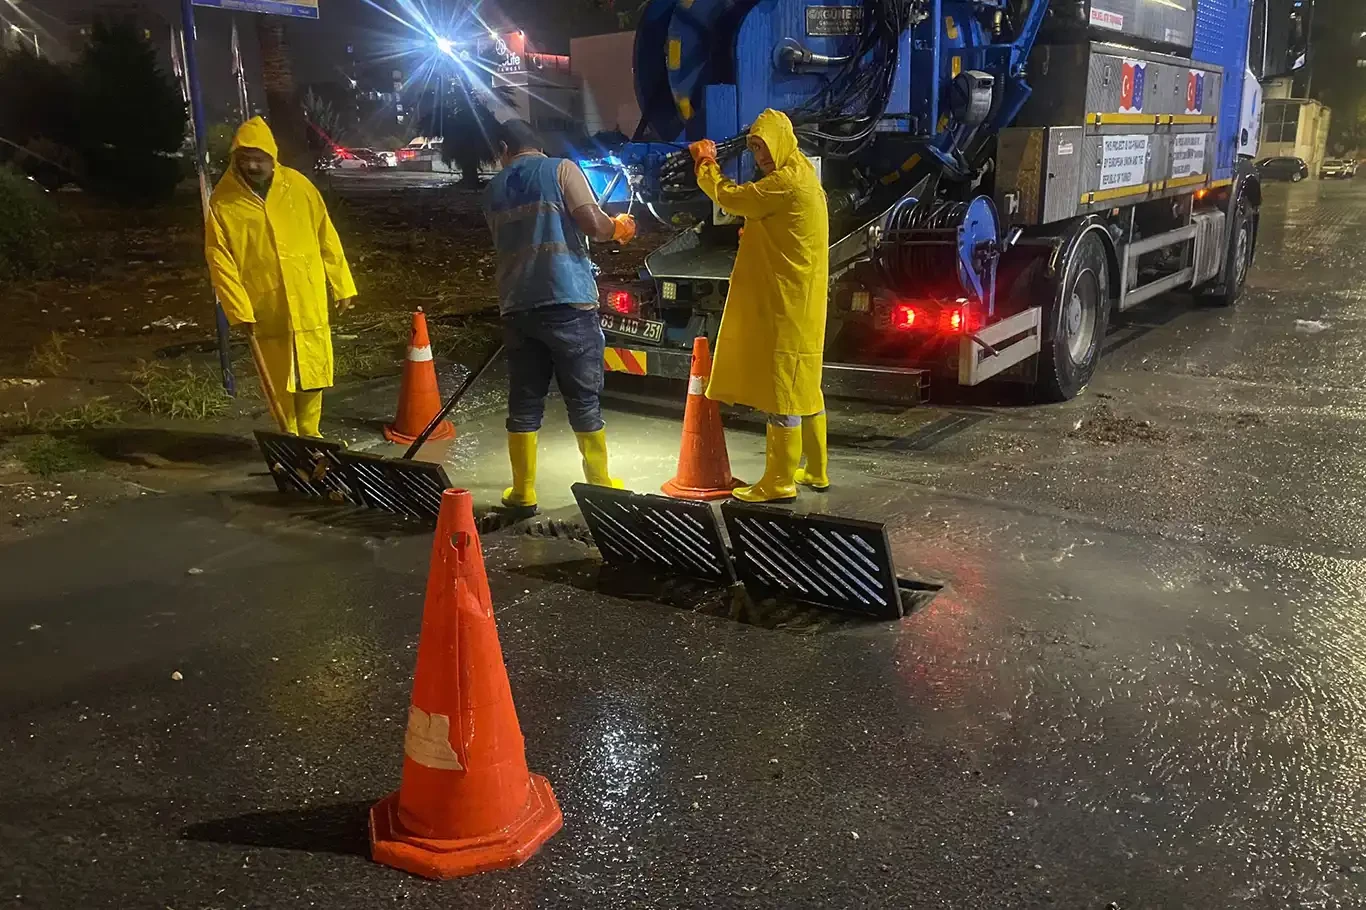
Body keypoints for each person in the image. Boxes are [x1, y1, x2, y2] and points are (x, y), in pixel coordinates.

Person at [483, 119, 637, 512]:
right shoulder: (561, 169)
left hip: (517, 305)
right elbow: (592, 224)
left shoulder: (494, 189)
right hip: (567, 300)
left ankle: (523, 492)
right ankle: (600, 487)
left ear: (506, 148)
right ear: (538, 145)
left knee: (524, 402)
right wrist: (617, 228)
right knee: (583, 399)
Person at [689, 109, 830, 503]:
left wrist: (705, 163)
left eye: (764, 146)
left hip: (786, 300)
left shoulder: (782, 184)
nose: (760, 156)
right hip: (804, 298)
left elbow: (730, 197)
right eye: (754, 147)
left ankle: (779, 480)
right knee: (805, 384)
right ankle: (816, 470)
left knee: (782, 389)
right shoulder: (802, 174)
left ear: (782, 141)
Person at [204, 117, 356, 438]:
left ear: (273, 157)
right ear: (236, 158)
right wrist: (237, 309)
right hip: (265, 306)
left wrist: (341, 283)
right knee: (278, 377)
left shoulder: (299, 187)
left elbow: (325, 235)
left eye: (260, 158)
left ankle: (311, 435)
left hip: (307, 296)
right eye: (246, 158)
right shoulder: (224, 201)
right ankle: (289, 438)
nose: (253, 166)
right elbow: (220, 260)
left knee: (312, 371)